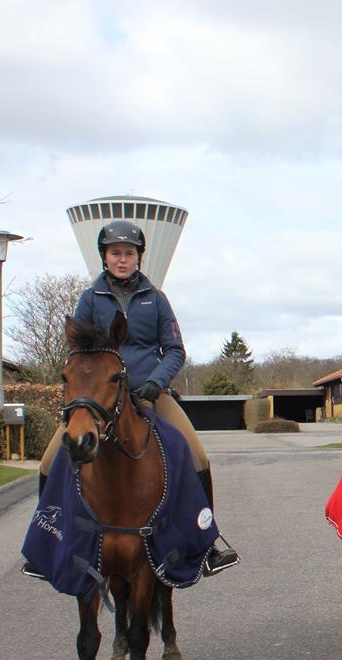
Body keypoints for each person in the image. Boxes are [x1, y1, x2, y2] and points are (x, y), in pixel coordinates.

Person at [23, 220, 240, 578]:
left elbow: (174, 349)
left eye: (128, 253)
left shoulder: (156, 299)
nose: (122, 259)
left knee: (197, 456)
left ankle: (208, 542)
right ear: (105, 257)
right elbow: (78, 351)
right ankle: (45, 541)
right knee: (49, 462)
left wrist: (156, 382)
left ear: (138, 257)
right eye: (115, 253)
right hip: (101, 399)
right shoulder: (90, 298)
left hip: (148, 393)